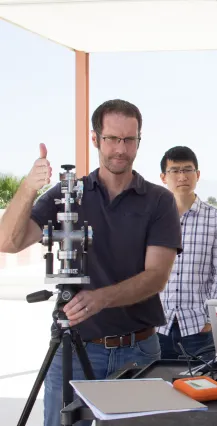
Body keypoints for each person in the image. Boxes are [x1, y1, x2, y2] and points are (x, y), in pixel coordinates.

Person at [0, 99, 182, 426]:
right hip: (75, 346)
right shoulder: (67, 193)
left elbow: (156, 276)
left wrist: (100, 299)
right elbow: (8, 242)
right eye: (112, 138)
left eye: (130, 140)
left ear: (139, 141)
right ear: (96, 139)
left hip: (138, 350)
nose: (121, 149)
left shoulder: (159, 200)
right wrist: (28, 188)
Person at [157, 146, 217, 361]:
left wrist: (209, 320)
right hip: (157, 327)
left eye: (188, 170)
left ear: (197, 175)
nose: (182, 176)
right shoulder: (153, 217)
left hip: (198, 328)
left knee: (200, 389)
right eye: (175, 170)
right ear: (164, 177)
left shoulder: (216, 218)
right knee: (156, 389)